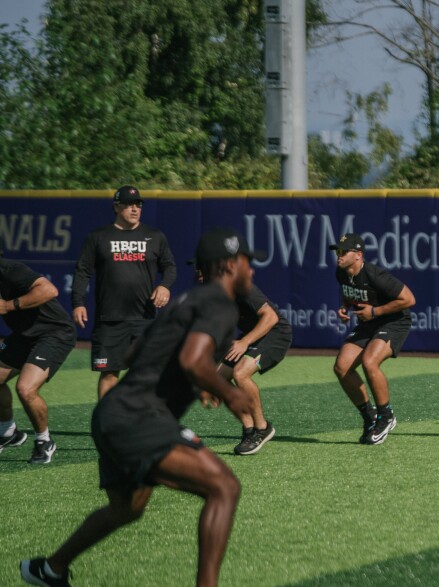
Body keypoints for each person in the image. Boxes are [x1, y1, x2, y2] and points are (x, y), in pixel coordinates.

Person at [21, 227, 261, 587]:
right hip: (139, 416)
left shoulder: (187, 300)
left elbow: (134, 353)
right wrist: (228, 393)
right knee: (224, 487)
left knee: (127, 508)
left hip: (110, 414)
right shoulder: (219, 302)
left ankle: (50, 569)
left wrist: (192, 382)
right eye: (247, 263)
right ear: (229, 265)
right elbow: (194, 359)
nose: (252, 271)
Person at [71, 185, 177, 399]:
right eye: (129, 204)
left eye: (138, 204)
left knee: (148, 374)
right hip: (110, 319)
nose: (135, 208)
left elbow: (170, 267)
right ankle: (106, 427)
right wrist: (78, 302)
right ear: (117, 207)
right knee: (109, 375)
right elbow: (83, 271)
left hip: (144, 318)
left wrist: (164, 285)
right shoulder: (99, 237)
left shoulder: (154, 236)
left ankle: (142, 424)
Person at [330, 233, 415, 445]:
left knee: (370, 362)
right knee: (341, 367)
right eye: (337, 251)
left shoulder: (375, 274)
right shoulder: (341, 272)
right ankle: (369, 416)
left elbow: (409, 299)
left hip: (394, 321)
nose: (338, 255)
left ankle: (386, 416)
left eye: (343, 251)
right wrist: (344, 306)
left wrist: (376, 312)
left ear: (358, 255)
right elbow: (348, 291)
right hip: (370, 322)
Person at [0, 246, 76, 465]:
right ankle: (7, 432)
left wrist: (8, 305)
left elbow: (49, 290)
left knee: (26, 388)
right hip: (23, 335)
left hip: (54, 332)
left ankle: (44, 441)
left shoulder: (11, 270)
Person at [217, 281, 292, 455]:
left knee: (240, 373)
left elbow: (271, 317)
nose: (199, 272)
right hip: (253, 335)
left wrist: (244, 342)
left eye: (202, 267)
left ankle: (262, 428)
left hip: (276, 333)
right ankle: (249, 430)